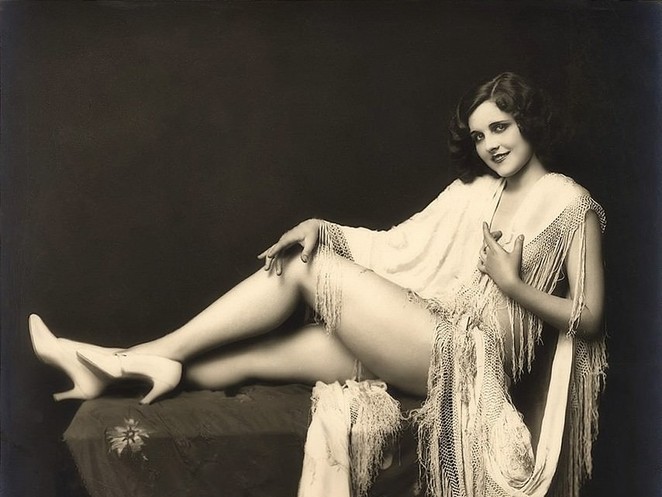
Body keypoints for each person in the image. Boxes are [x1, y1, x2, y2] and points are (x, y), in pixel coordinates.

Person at [29, 72, 606, 497]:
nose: (491, 145)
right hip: (419, 338)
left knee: (305, 267)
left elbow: (591, 315)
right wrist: (322, 228)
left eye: (500, 127)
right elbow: (398, 245)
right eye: (479, 136)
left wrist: (512, 285)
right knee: (257, 357)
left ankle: (142, 355)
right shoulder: (476, 192)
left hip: (466, 359)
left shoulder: (569, 202)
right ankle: (124, 368)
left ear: (528, 122)